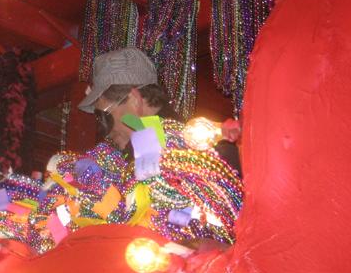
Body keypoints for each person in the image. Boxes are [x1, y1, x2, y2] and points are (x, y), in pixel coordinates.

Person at [78, 47, 242, 176]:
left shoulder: (212, 158)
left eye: (104, 116)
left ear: (134, 100)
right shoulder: (118, 169)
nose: (105, 131)